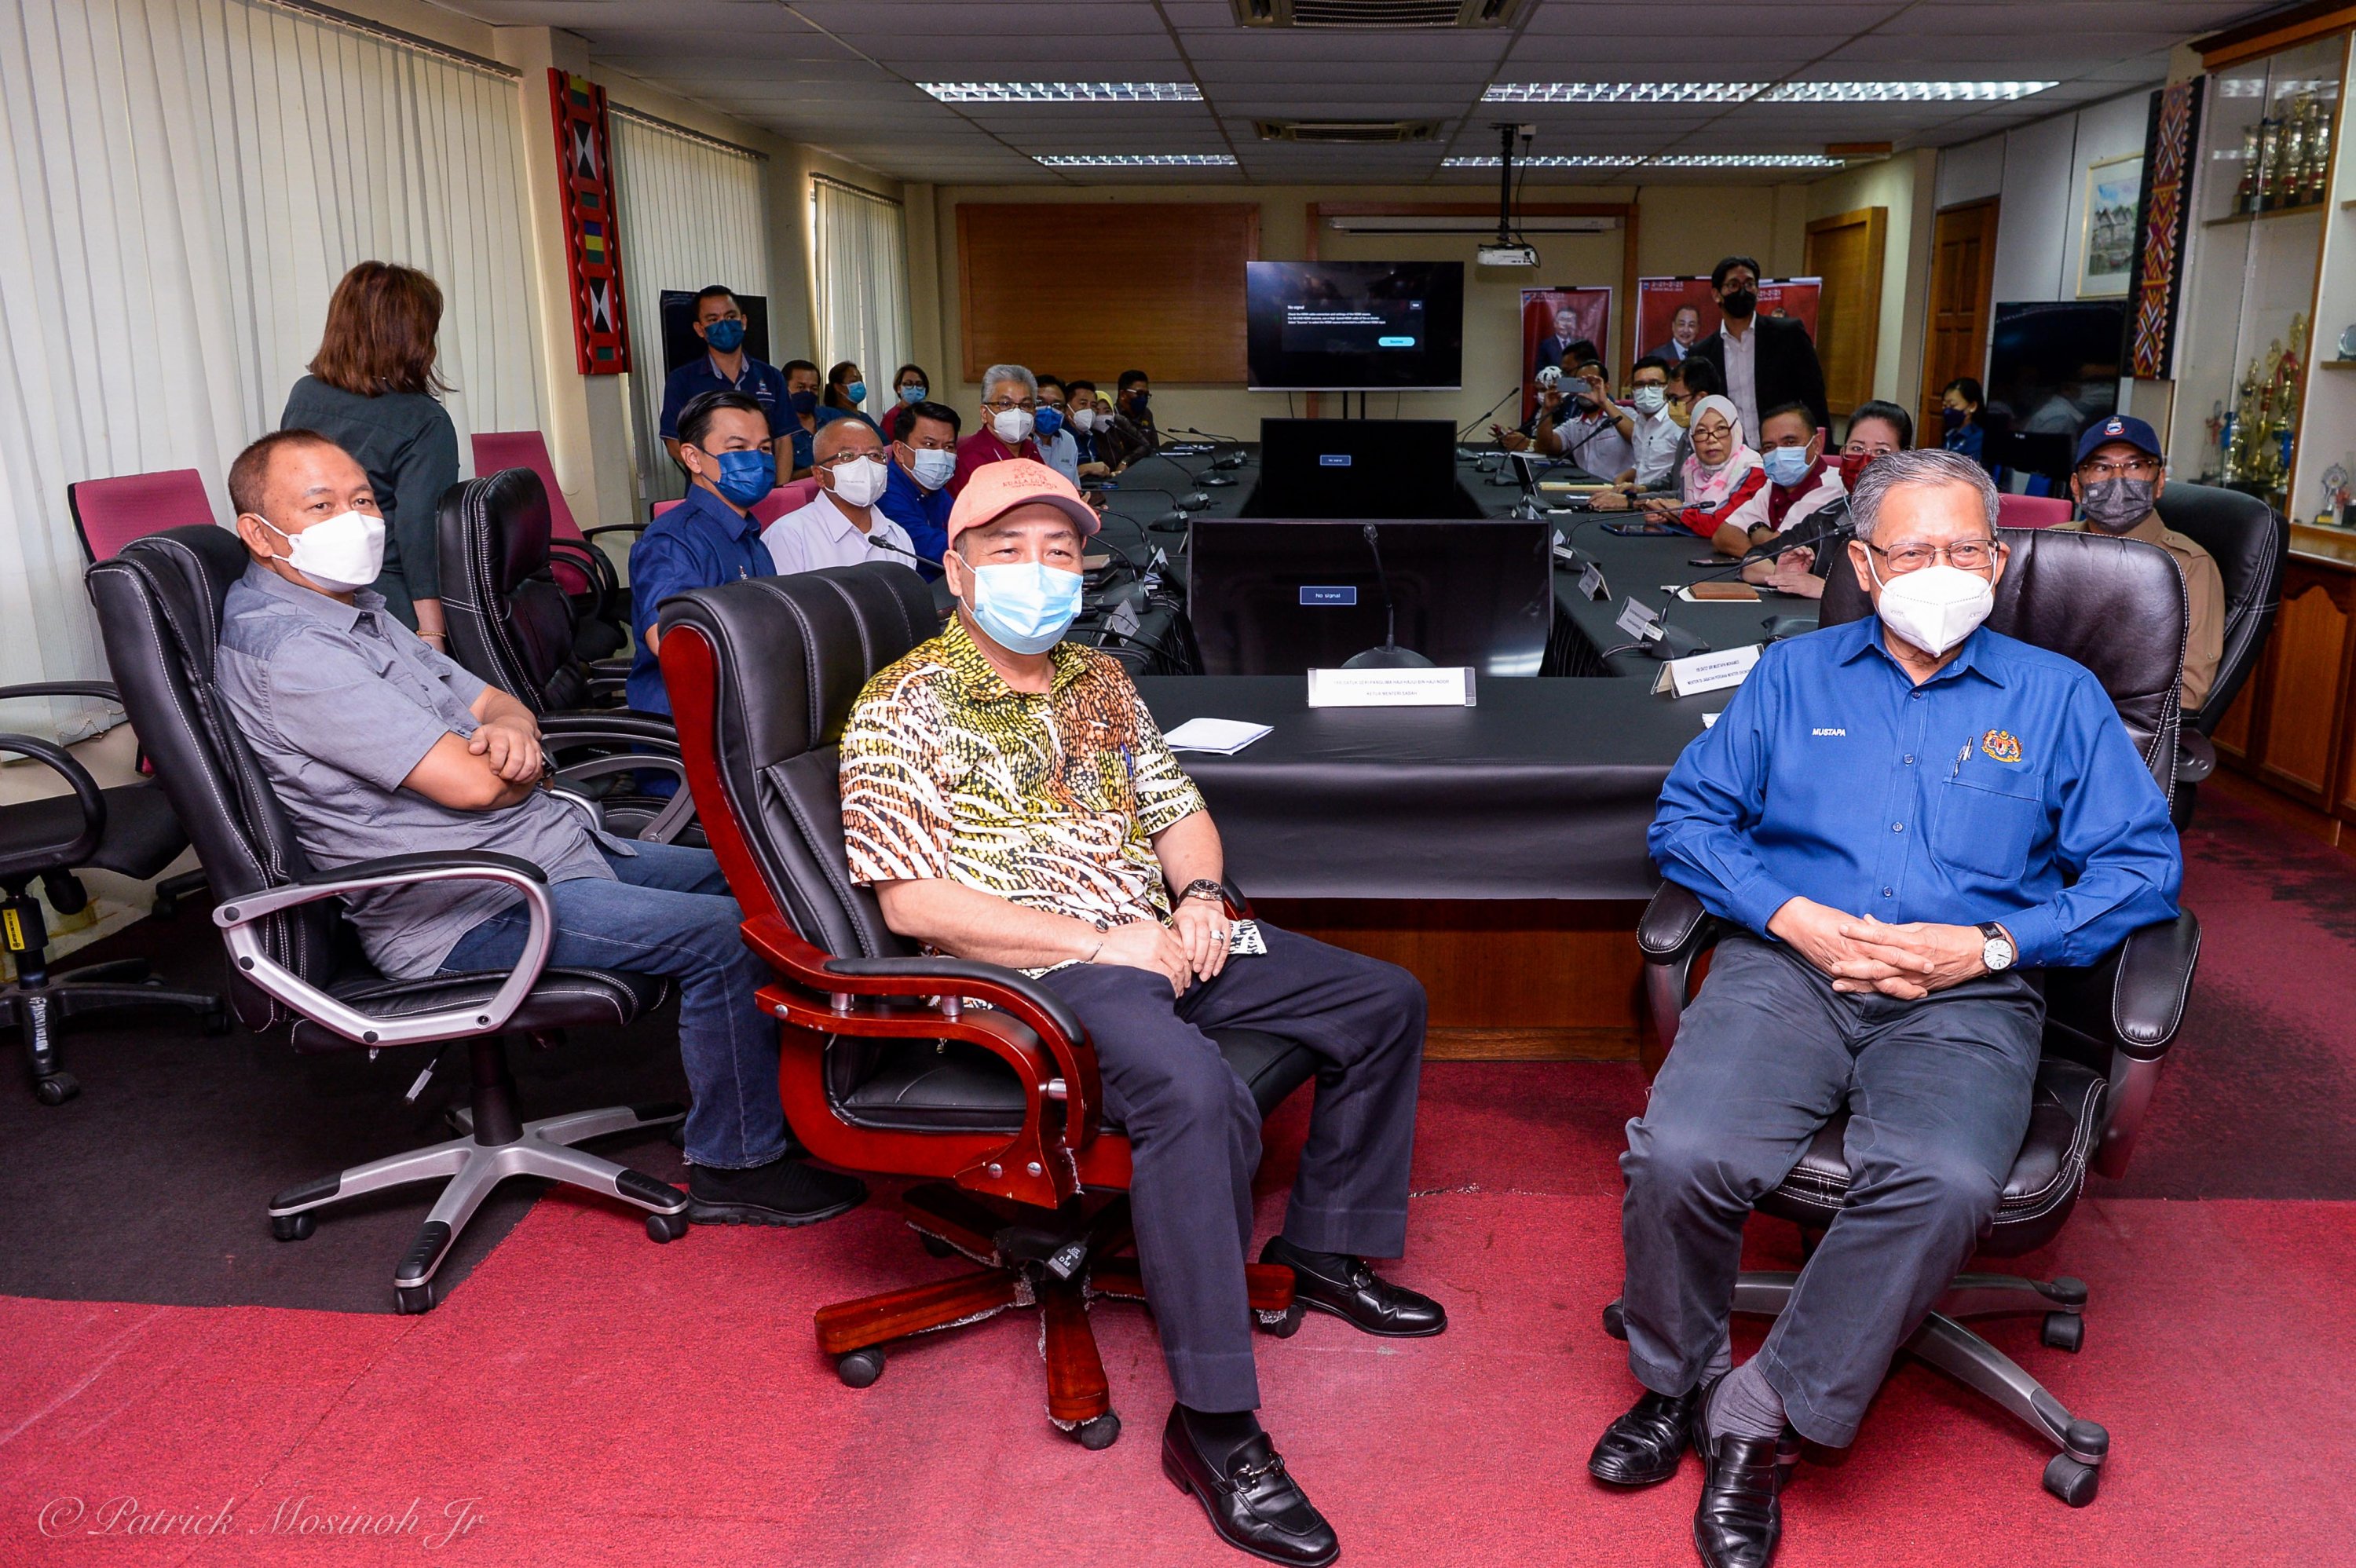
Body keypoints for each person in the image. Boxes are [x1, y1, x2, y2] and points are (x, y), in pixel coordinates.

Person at [840, 458, 1443, 1567]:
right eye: (1010, 551)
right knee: (1193, 1089)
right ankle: (1214, 1425)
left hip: (1157, 939)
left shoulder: (1102, 680)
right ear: (957, 571)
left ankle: (1323, 1248)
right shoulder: (903, 702)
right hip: (1032, 969)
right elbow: (916, 902)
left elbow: (1182, 813)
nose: (1039, 572)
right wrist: (1099, 941)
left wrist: (1202, 897)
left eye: (1060, 553)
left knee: (1380, 999)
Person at [1600, 447, 2181, 1568]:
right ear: (1864, 564)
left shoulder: (2059, 697)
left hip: (1967, 995)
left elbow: (2142, 869)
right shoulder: (1790, 676)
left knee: (1948, 1175)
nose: (1943, 569)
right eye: (1914, 549)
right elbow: (1687, 823)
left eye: (1967, 548)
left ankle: (1759, 1414)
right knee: (1680, 1149)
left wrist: (1994, 941)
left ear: (2000, 560)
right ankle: (1673, 1387)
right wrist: (1789, 914)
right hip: (1791, 975)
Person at [216, 429, 867, 1228]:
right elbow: (471, 785)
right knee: (730, 936)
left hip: (548, 849)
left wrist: (513, 733)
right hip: (472, 905)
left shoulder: (354, 608)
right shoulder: (292, 650)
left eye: (362, 500)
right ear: (258, 532)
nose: (355, 519)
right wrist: (512, 757)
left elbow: (495, 703)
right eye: (321, 506)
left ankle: (819, 1099)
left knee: (778, 878)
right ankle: (737, 1162)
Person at [280, 261, 459, 641]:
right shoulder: (424, 420)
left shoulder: (304, 394)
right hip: (389, 600)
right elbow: (418, 535)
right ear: (413, 335)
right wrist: (431, 632)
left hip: (310, 592)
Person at [2056, 415, 2226, 712]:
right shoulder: (2051, 547)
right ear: (2076, 486)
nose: (2118, 478)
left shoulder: (2188, 566)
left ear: (2159, 482)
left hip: (2121, 732)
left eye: (2135, 466)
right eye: (2100, 467)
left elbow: (2187, 693)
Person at [626, 391, 777, 718]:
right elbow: (675, 643)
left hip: (753, 708)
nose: (757, 459)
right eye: (737, 448)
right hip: (695, 727)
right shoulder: (671, 541)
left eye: (764, 449)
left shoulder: (751, 536)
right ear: (693, 458)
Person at [1755, 401, 1915, 599]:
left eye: (1881, 451)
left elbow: (1916, 598)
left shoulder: (1919, 524)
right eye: (1857, 448)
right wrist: (1783, 576)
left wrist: (1826, 589)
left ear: (1904, 458)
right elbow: (1752, 560)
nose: (1865, 460)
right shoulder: (1829, 517)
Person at [1684, 256, 1829, 439]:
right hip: (1731, 456)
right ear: (1716, 294)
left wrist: (1824, 449)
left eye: (1749, 284)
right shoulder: (1701, 353)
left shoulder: (1788, 334)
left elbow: (1814, 396)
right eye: (1734, 285)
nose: (1742, 291)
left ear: (1758, 290)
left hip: (1784, 449)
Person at [761, 417, 920, 577]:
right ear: (820, 475)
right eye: (847, 456)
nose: (865, 465)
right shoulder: (789, 536)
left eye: (874, 455)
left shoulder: (898, 537)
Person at [657, 285, 791, 468]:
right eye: (713, 319)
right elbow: (674, 444)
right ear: (700, 329)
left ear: (743, 322)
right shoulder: (682, 380)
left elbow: (783, 440)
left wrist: (778, 492)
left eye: (730, 317)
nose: (724, 324)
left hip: (766, 487)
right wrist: (721, 472)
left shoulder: (771, 376)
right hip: (710, 489)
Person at [1723, 402, 1846, 557]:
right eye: (1769, 447)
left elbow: (1783, 547)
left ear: (1816, 444)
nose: (1779, 453)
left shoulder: (1832, 487)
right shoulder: (1773, 484)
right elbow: (1724, 534)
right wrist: (1762, 556)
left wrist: (1756, 532)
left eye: (1790, 442)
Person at [876, 400, 961, 578]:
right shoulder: (884, 491)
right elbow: (930, 546)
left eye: (948, 447)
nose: (941, 454)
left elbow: (964, 523)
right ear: (899, 450)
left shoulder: (932, 486)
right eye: (930, 445)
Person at [1675, 396, 1766, 548]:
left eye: (1721, 429)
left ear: (1735, 431)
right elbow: (1680, 505)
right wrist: (1664, 512)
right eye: (1701, 431)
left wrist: (1680, 512)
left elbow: (1721, 525)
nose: (1711, 439)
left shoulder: (1752, 468)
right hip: (1688, 549)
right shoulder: (1690, 467)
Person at [949, 363, 1044, 496]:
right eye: (1005, 404)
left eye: (1026, 405)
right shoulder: (968, 456)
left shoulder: (1031, 450)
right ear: (984, 413)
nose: (1017, 412)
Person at [1553, 359, 1637, 481]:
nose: (1586, 389)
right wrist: (1547, 409)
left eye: (1591, 383)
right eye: (1581, 384)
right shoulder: (1574, 423)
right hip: (1584, 489)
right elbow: (1546, 445)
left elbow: (1637, 438)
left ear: (1606, 387)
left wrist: (1604, 402)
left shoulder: (1626, 413)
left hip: (1617, 490)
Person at [781, 359, 850, 479]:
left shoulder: (833, 417)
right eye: (801, 387)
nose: (808, 392)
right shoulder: (777, 427)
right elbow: (780, 480)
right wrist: (815, 470)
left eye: (813, 388)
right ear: (784, 388)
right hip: (801, 493)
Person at [1099, 368, 1160, 470]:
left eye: (1146, 394)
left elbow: (1154, 447)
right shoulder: (1111, 417)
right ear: (1123, 394)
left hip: (1148, 468)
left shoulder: (1146, 414)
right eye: (1139, 394)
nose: (1143, 398)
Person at [1032, 373, 1082, 484]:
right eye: (1040, 403)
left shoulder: (1068, 440)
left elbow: (1075, 488)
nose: (1049, 410)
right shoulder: (1019, 442)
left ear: (1065, 411)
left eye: (1057, 405)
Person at [1065, 379, 1115, 473]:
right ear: (1067, 408)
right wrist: (1086, 469)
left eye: (1093, 405)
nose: (1089, 409)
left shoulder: (1090, 436)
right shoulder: (1060, 437)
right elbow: (1055, 474)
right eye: (1083, 403)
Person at [880, 363, 931, 445]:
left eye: (919, 384)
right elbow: (888, 449)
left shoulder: (929, 414)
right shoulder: (892, 417)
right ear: (899, 388)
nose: (914, 388)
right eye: (908, 384)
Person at [1941, 378, 1988, 465]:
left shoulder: (1979, 438)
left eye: (1952, 405)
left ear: (1972, 406)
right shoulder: (1950, 434)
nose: (1947, 410)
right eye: (1944, 405)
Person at [1533, 305, 1585, 381]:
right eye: (1562, 319)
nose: (1565, 324)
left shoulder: (1580, 344)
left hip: (1576, 387)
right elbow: (1540, 371)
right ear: (1555, 323)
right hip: (1554, 387)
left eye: (1570, 320)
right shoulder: (1546, 345)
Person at [1644, 302, 1705, 366]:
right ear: (1673, 326)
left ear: (1698, 329)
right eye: (1681, 324)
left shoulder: (1704, 356)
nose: (1686, 330)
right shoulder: (1656, 356)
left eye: (1691, 325)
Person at [824, 360, 880, 428]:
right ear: (838, 387)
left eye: (861, 380)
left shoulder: (864, 417)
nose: (860, 384)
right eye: (854, 381)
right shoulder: (835, 417)